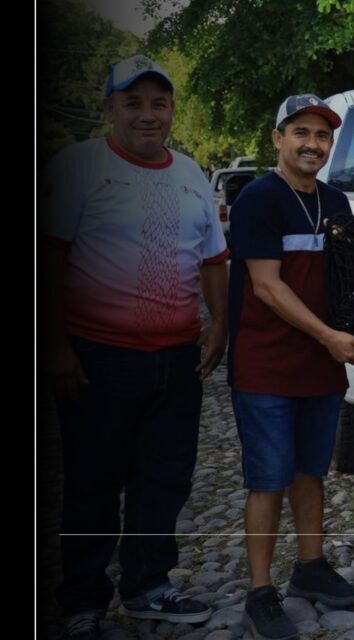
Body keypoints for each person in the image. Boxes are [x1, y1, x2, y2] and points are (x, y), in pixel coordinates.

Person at [41, 54, 229, 639]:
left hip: (176, 359)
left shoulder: (192, 173)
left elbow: (214, 259)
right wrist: (55, 348)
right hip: (98, 357)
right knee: (93, 481)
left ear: (171, 110)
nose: (148, 115)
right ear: (109, 109)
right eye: (133, 103)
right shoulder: (76, 167)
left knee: (165, 478)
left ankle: (149, 585)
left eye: (158, 103)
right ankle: (82, 600)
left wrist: (220, 323)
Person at [228, 94, 354, 640]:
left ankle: (310, 567)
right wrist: (331, 335)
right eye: (301, 132)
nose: (312, 144)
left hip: (320, 366)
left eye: (322, 135)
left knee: (312, 472)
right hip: (266, 365)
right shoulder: (257, 199)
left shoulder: (335, 202)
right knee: (268, 479)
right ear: (278, 138)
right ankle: (261, 593)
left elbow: (350, 278)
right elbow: (266, 285)